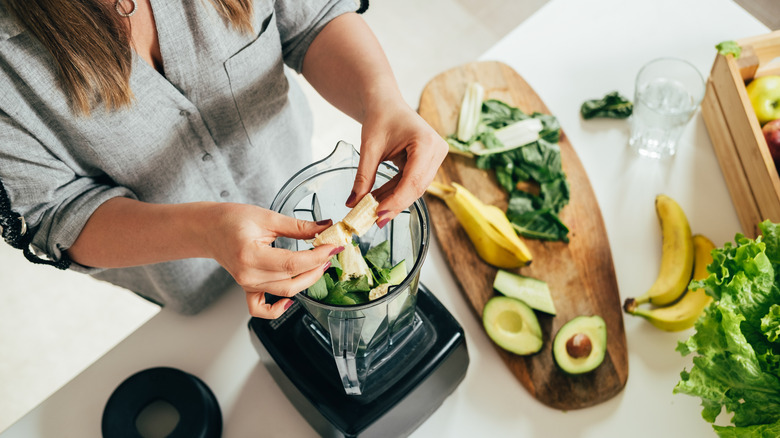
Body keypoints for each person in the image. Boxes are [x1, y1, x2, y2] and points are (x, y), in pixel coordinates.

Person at [0, 0, 447, 319]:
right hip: (180, 272)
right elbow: (55, 213)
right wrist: (206, 232)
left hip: (285, 177)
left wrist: (382, 98)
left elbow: (312, 18)